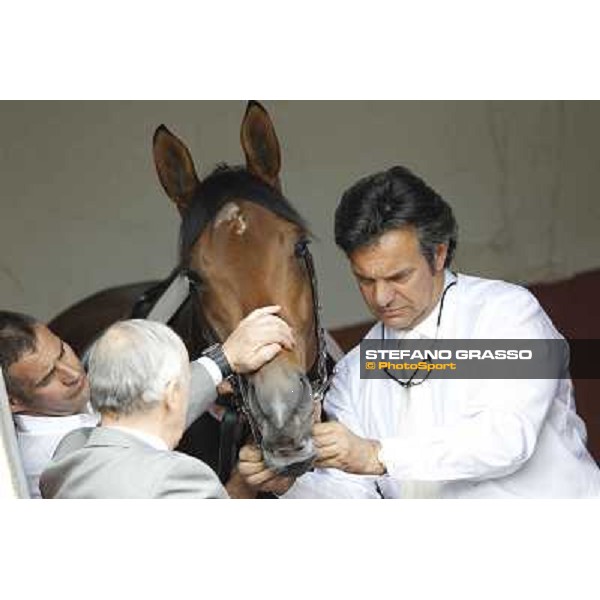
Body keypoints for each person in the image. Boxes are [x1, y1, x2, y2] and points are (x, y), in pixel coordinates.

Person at [239, 165, 600, 498]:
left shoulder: (506, 314)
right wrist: (289, 485)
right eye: (365, 279)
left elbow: (506, 439)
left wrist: (377, 454)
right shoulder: (355, 371)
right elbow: (353, 497)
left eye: (398, 277)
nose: (381, 297)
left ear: (439, 254)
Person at [0, 306, 294, 498]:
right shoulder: (45, 460)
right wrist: (243, 484)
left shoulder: (70, 452)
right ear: (11, 401)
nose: (72, 372)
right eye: (47, 377)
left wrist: (216, 370)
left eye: (62, 350)